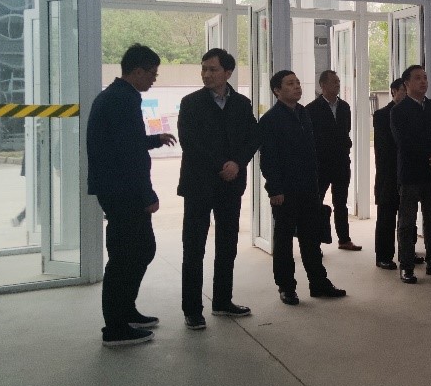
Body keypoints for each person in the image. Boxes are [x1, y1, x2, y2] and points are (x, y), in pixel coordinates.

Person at [87, 44, 177, 347]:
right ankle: (115, 328)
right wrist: (147, 194)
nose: (154, 79)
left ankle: (125, 311)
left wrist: (154, 139)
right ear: (137, 71)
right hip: (123, 190)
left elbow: (126, 141)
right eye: (152, 73)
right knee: (126, 257)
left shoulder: (116, 96)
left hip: (116, 188)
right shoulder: (123, 99)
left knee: (140, 250)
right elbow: (129, 154)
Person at [177, 48, 259, 331]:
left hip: (230, 186)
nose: (206, 74)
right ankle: (192, 310)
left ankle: (223, 301)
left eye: (212, 69)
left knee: (227, 245)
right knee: (194, 247)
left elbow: (253, 137)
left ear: (228, 73)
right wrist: (222, 164)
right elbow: (190, 142)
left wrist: (237, 163)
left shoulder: (242, 104)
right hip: (199, 185)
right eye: (204, 69)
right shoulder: (191, 103)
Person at [258, 70, 346, 305]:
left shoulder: (304, 113)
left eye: (297, 82)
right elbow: (268, 159)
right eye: (290, 84)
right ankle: (286, 287)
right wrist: (275, 189)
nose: (297, 86)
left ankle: (318, 283)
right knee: (284, 240)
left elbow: (311, 152)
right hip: (285, 190)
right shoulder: (270, 120)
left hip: (308, 187)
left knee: (311, 238)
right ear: (277, 90)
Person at [390, 64, 431, 283]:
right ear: (406, 83)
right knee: (407, 223)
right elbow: (404, 142)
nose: (423, 81)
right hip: (411, 174)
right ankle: (406, 266)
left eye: (425, 77)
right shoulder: (399, 110)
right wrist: (429, 157)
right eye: (418, 78)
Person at [307, 69, 361, 251]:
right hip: (320, 165)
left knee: (341, 203)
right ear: (322, 85)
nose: (338, 84)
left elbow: (346, 131)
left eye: (338, 81)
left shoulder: (345, 107)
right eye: (334, 82)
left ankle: (344, 239)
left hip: (341, 163)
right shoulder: (311, 109)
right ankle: (314, 243)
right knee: (316, 203)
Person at [373, 77, 408, 270]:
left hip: (409, 172)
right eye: (403, 89)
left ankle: (407, 253)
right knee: (387, 216)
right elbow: (384, 148)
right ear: (394, 91)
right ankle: (383, 256)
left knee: (407, 216)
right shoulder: (381, 115)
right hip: (389, 173)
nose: (406, 93)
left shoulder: (413, 112)